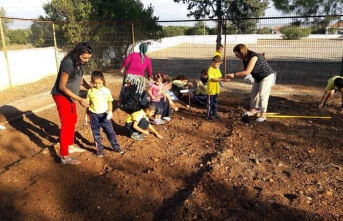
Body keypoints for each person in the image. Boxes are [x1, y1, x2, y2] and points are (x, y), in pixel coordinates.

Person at [51, 42, 93, 165]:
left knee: (73, 119)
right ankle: (64, 157)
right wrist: (79, 99)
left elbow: (80, 79)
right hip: (61, 95)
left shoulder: (79, 63)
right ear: (77, 53)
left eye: (88, 58)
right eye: (84, 57)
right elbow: (62, 87)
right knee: (66, 123)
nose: (86, 60)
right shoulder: (68, 63)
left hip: (70, 96)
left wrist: (91, 88)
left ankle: (70, 146)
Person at [227, 44, 276, 122]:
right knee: (254, 93)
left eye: (237, 54)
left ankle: (263, 115)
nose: (236, 56)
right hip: (258, 77)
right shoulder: (244, 58)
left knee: (263, 95)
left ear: (242, 52)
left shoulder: (253, 57)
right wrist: (231, 76)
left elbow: (247, 72)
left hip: (266, 76)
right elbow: (243, 71)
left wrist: (233, 74)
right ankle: (253, 110)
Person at [86, 71, 124, 157]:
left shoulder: (107, 91)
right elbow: (88, 104)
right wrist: (86, 115)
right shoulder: (90, 91)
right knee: (96, 134)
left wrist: (110, 112)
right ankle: (99, 149)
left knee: (110, 132)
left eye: (99, 83)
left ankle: (116, 147)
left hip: (104, 116)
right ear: (92, 82)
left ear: (103, 81)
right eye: (95, 83)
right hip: (94, 115)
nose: (97, 85)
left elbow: (109, 102)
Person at [119, 42, 152, 111]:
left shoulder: (133, 54)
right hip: (139, 78)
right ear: (146, 50)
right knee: (137, 92)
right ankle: (134, 107)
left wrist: (123, 67)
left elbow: (126, 61)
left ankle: (123, 105)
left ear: (140, 48)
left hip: (129, 76)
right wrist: (149, 76)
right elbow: (149, 70)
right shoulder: (147, 59)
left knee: (126, 90)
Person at [206, 55, 230, 120]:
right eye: (217, 64)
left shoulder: (217, 69)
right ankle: (208, 115)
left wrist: (225, 78)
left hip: (216, 89)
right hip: (211, 90)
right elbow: (214, 79)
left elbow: (219, 77)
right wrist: (223, 79)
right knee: (210, 103)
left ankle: (215, 113)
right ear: (213, 62)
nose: (218, 66)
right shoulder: (210, 70)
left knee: (215, 102)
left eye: (219, 65)